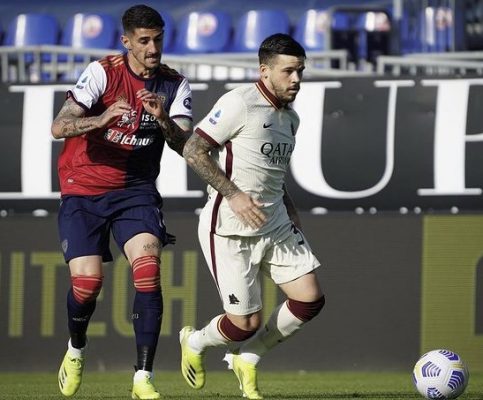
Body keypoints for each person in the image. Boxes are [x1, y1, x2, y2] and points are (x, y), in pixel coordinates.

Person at [51, 5, 192, 399]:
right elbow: (59, 126)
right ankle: (76, 348)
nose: (153, 48)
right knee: (87, 284)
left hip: (136, 191)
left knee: (148, 270)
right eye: (144, 41)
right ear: (126, 41)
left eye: (158, 39)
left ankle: (143, 377)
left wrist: (162, 119)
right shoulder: (103, 73)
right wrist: (101, 119)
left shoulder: (175, 85)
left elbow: (185, 144)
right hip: (84, 186)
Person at [179, 33, 325, 400]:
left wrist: (289, 207)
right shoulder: (239, 103)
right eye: (288, 71)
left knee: (309, 299)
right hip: (229, 227)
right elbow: (193, 150)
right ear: (264, 71)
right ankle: (195, 342)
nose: (296, 79)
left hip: (275, 223)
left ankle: (249, 356)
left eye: (300, 71)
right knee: (244, 323)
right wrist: (233, 194)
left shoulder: (291, 118)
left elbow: (270, 173)